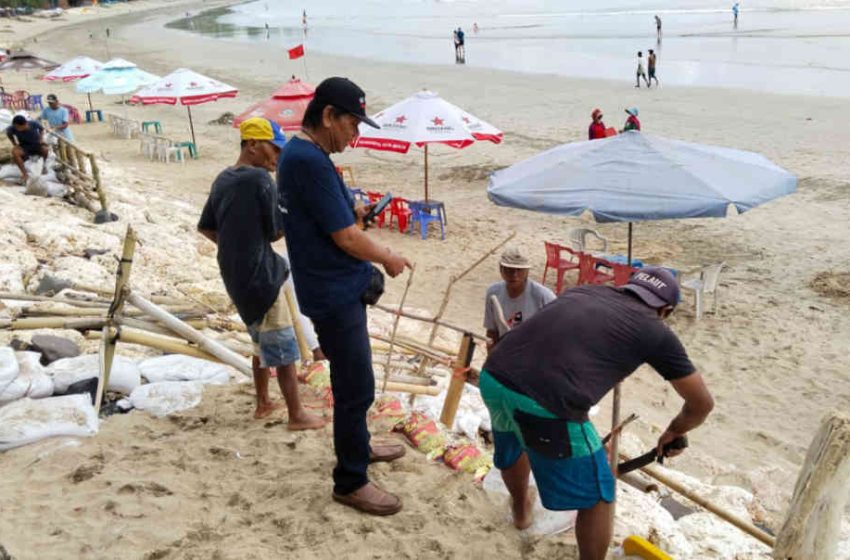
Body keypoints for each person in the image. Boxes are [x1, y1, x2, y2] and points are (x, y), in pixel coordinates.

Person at [479, 267, 714, 559]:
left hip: (494, 375)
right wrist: (677, 430)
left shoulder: (585, 290)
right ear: (665, 309)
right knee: (600, 493)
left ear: (628, 287)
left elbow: (566, 343)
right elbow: (701, 404)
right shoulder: (655, 331)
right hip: (546, 403)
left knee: (514, 440)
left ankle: (521, 512)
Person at [277, 77, 412, 516]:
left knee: (355, 380)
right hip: (332, 291)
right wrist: (388, 255)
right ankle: (350, 480)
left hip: (331, 286)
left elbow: (334, 221)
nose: (355, 136)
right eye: (352, 124)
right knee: (356, 387)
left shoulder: (308, 156)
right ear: (329, 116)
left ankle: (360, 445)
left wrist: (350, 212)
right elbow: (348, 239)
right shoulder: (308, 160)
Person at [197, 117, 325, 429]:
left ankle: (264, 402)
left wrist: (236, 246)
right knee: (283, 345)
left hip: (234, 275)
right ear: (253, 145)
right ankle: (297, 414)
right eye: (274, 149)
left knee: (259, 340)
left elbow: (206, 227)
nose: (277, 157)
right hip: (261, 276)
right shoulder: (260, 181)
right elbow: (275, 232)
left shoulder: (223, 179)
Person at [484, 247, 555, 348]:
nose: (514, 275)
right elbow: (492, 333)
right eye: (509, 269)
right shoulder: (493, 293)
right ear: (501, 269)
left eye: (519, 270)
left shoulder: (544, 297)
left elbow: (555, 334)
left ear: (527, 271)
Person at [6, 115, 48, 184]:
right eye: (15, 127)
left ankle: (44, 167)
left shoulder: (33, 124)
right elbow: (8, 133)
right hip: (24, 146)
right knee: (15, 152)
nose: (16, 128)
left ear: (24, 124)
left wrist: (41, 138)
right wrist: (14, 144)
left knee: (45, 149)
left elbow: (42, 129)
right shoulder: (13, 128)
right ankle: (25, 174)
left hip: (36, 145)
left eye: (18, 127)